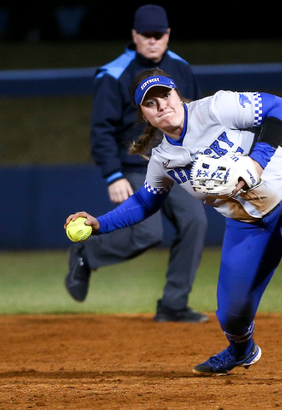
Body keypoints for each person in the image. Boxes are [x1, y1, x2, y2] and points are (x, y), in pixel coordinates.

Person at [64, 67, 282, 381]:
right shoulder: (163, 158)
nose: (162, 105)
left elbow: (281, 107)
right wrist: (98, 223)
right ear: (144, 114)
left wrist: (257, 159)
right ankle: (241, 350)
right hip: (246, 224)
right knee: (231, 314)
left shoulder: (216, 108)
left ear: (177, 95)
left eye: (165, 95)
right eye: (151, 102)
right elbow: (146, 202)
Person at [64, 4, 208, 323]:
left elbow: (195, 115)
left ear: (168, 35)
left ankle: (173, 304)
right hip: (134, 165)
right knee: (146, 234)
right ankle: (85, 254)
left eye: (159, 34)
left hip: (175, 161)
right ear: (134, 35)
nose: (153, 40)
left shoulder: (180, 68)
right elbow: (101, 130)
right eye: (147, 35)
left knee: (195, 221)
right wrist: (113, 175)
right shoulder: (115, 73)